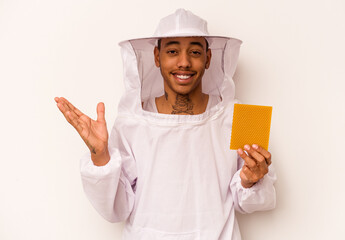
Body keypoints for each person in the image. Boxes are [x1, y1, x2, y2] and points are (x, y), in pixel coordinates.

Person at [55, 9, 276, 240]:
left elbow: (252, 201)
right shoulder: (131, 120)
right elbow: (116, 209)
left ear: (208, 58)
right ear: (157, 57)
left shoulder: (243, 117)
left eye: (195, 51)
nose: (184, 62)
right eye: (172, 51)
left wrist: (251, 179)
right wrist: (100, 155)